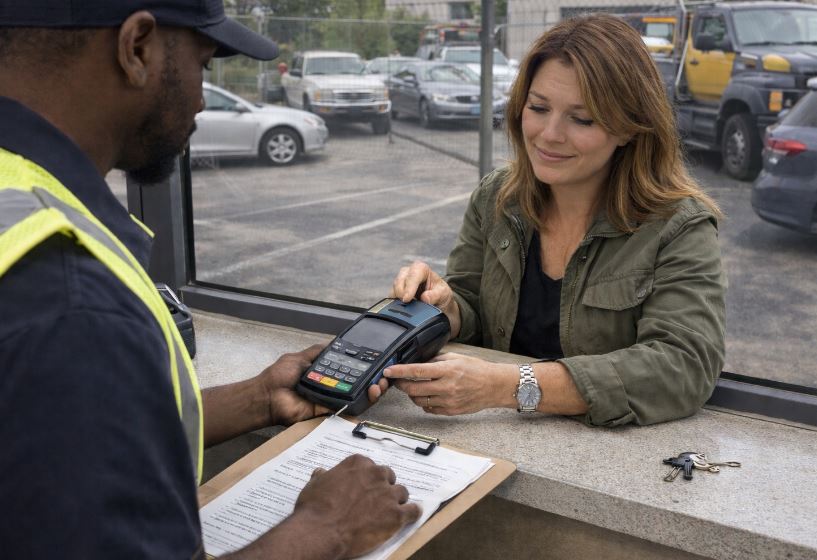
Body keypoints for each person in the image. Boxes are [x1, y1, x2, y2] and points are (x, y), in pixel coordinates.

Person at [0, 1, 419, 559]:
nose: (201, 97)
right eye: (205, 61)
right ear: (138, 48)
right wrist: (328, 528)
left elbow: (55, 444)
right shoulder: (71, 300)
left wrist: (259, 399)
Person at [387, 14, 727, 427]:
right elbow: (474, 307)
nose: (549, 134)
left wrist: (508, 386)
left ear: (630, 129)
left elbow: (683, 367)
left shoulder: (679, 226)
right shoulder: (497, 198)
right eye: (538, 107)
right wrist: (446, 307)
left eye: (581, 119)